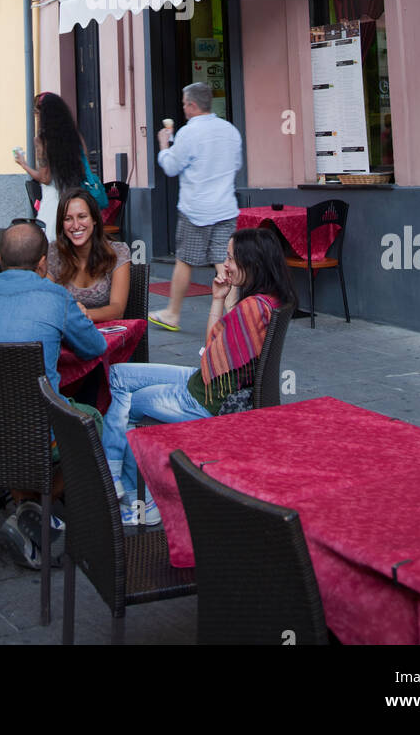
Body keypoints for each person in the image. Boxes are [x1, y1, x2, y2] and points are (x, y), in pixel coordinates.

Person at [102, 227, 295, 523]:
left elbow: (209, 354)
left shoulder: (250, 310)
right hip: (206, 384)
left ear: (253, 264)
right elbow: (212, 354)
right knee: (117, 375)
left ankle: (142, 502)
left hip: (203, 401)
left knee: (126, 400)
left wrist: (228, 307)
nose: (225, 265)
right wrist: (219, 299)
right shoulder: (269, 301)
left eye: (231, 259)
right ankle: (115, 472)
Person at [0, 221, 108, 569]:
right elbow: (94, 347)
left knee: (16, 417)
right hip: (36, 436)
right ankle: (36, 507)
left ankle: (27, 508)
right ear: (43, 264)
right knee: (90, 420)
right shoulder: (55, 297)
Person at [151, 81, 243, 331]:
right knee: (226, 263)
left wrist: (163, 144)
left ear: (191, 105)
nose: (183, 108)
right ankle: (234, 318)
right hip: (225, 207)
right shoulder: (230, 130)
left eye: (183, 104)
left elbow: (171, 167)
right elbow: (236, 166)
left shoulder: (188, 133)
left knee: (184, 261)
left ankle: (172, 313)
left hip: (196, 210)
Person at [47, 187, 130, 323]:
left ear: (94, 219)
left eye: (82, 216)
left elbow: (118, 309)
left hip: (106, 333)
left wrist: (83, 314)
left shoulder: (118, 252)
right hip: (66, 333)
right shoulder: (53, 253)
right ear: (61, 224)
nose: (76, 225)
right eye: (68, 219)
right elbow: (48, 303)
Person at [14, 92, 88, 242]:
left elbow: (45, 178)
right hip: (77, 199)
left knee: (50, 246)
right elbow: (84, 165)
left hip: (53, 203)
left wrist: (24, 164)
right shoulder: (76, 137)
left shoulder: (41, 140)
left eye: (36, 113)